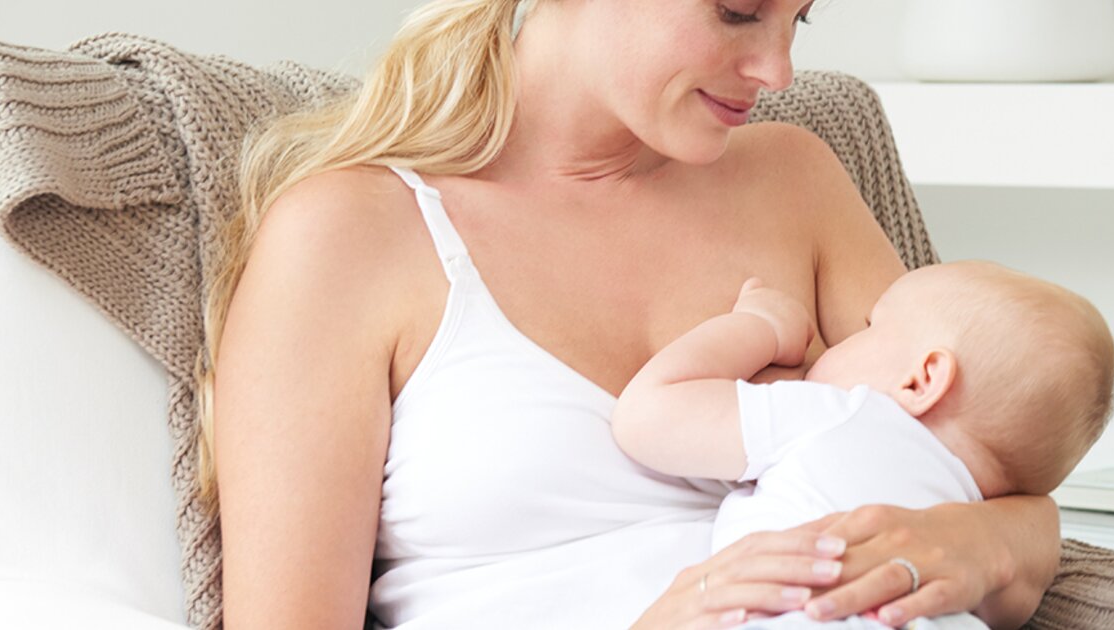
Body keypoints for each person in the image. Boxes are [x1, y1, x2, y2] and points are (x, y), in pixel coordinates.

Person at [201, 0, 1065, 628]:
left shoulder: (793, 181)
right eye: (737, 11)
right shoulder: (347, 235)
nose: (778, 71)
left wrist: (974, 547)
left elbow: (1004, 478)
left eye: (798, 19)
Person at [609, 261, 1114, 628]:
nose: (833, 344)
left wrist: (761, 327)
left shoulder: (844, 415)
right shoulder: (966, 515)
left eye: (868, 328)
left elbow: (646, 417)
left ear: (922, 380)